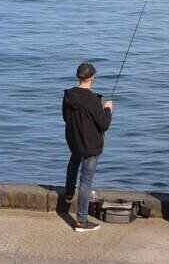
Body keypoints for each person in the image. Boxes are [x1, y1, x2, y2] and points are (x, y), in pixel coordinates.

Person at [62, 62, 113, 232]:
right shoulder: (92, 100)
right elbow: (104, 125)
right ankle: (81, 221)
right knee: (85, 181)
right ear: (92, 78)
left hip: (74, 141)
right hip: (90, 145)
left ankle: (69, 194)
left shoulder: (68, 95)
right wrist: (108, 110)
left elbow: (66, 118)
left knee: (73, 163)